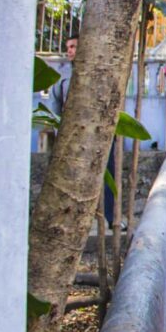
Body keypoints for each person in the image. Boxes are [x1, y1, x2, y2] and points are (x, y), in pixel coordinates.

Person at [50, 34, 119, 228]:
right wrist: (59, 132)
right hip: (73, 135)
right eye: (68, 47)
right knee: (70, 178)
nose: (70, 51)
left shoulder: (100, 71)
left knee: (107, 174)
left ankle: (110, 217)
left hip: (99, 132)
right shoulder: (62, 76)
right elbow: (55, 106)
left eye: (74, 46)